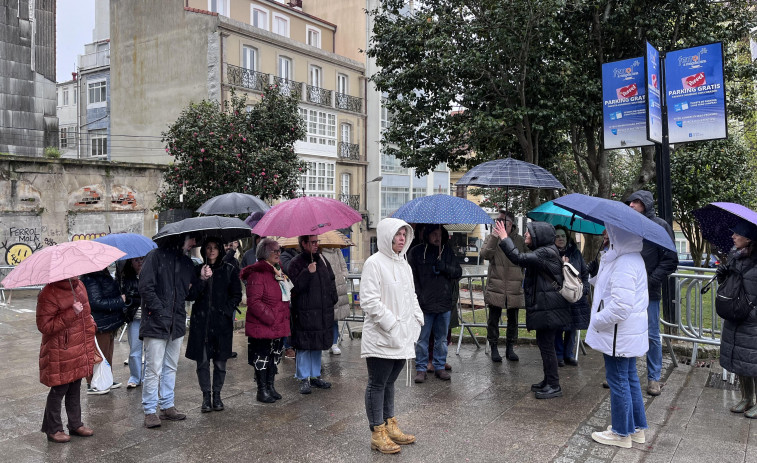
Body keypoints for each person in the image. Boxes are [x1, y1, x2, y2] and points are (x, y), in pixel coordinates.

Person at [360, 218, 423, 454]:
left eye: (404, 234)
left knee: (390, 382)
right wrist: (392, 324)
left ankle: (390, 424)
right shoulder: (374, 263)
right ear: (387, 236)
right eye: (397, 234)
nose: (402, 238)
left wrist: (417, 319)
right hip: (382, 336)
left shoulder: (404, 264)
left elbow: (411, 295)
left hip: (402, 336)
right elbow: (369, 300)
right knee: (378, 383)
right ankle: (378, 432)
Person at [139, 233, 211, 429]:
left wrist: (202, 279)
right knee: (154, 368)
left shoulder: (186, 263)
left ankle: (167, 405)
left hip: (176, 322)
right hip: (156, 323)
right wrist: (161, 313)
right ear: (180, 239)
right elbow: (145, 287)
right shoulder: (154, 257)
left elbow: (190, 294)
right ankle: (150, 410)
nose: (194, 243)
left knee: (171, 366)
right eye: (191, 239)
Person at [588, 224, 649, 449]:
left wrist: (596, 320)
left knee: (618, 380)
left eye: (608, 231)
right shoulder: (627, 257)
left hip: (618, 333)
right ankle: (637, 428)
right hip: (625, 333)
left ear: (618, 234)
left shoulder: (624, 262)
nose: (604, 234)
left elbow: (621, 306)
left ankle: (621, 433)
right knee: (629, 378)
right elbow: (610, 286)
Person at [493, 219, 569, 399]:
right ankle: (548, 380)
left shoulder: (545, 252)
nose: (526, 234)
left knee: (547, 347)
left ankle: (554, 385)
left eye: (529, 231)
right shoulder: (545, 251)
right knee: (544, 345)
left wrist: (504, 238)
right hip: (547, 307)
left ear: (539, 235)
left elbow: (517, 258)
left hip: (549, 308)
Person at [625, 190, 679, 396]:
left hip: (649, 291)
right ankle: (624, 373)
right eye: (630, 202)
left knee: (651, 334)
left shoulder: (660, 226)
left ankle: (653, 378)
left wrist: (651, 280)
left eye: (636, 202)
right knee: (625, 330)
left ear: (646, 204)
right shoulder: (627, 224)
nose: (631, 205)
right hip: (627, 288)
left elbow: (670, 260)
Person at [37, 277, 97, 443]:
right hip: (60, 350)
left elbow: (85, 314)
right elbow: (45, 326)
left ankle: (75, 424)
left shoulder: (80, 286)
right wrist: (72, 313)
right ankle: (54, 429)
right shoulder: (48, 293)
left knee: (75, 387)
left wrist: (90, 323)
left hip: (79, 346)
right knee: (59, 389)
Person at [185, 238, 242, 412]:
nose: (211, 251)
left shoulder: (229, 270)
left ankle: (217, 395)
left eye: (215, 248)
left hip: (221, 324)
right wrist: (202, 279)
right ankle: (206, 397)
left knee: (220, 362)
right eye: (208, 248)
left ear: (220, 250)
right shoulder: (197, 270)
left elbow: (236, 295)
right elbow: (190, 295)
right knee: (202, 362)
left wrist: (225, 310)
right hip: (201, 323)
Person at [240, 238, 292, 403]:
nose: (278, 253)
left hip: (278, 324)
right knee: (262, 357)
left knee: (274, 355)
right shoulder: (257, 273)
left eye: (279, 250)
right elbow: (254, 302)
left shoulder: (277, 271)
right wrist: (271, 317)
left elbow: (285, 294)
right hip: (263, 324)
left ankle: (270, 386)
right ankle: (261, 390)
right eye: (274, 250)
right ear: (264, 253)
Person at [409, 224, 462, 382]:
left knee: (441, 339)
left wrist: (444, 267)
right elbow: (411, 277)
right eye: (433, 234)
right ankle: (421, 368)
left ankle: (439, 366)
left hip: (443, 302)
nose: (436, 237)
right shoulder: (417, 252)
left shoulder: (446, 251)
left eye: (439, 234)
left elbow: (457, 272)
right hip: (425, 303)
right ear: (427, 235)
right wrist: (419, 296)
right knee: (422, 339)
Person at [288, 235, 338, 394]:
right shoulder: (296, 263)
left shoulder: (322, 259)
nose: (316, 245)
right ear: (304, 243)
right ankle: (303, 377)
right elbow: (293, 289)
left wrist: (333, 298)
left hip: (322, 311)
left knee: (317, 344)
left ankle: (315, 376)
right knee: (304, 346)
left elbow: (331, 279)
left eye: (317, 241)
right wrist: (307, 273)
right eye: (313, 242)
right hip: (304, 313)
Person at [717, 222, 757, 418]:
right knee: (741, 359)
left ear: (748, 238)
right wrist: (723, 277)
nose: (733, 236)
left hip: (751, 318)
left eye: (737, 233)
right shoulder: (735, 255)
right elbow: (731, 285)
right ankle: (747, 398)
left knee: (754, 360)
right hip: (736, 314)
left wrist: (752, 313)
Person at [481, 210, 526, 362]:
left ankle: (510, 348)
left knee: (513, 320)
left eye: (502, 221)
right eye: (497, 220)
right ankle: (493, 347)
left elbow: (528, 258)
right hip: (496, 285)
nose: (498, 223)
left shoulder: (519, 240)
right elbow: (485, 255)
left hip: (514, 287)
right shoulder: (491, 238)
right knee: (493, 319)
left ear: (510, 224)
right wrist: (495, 237)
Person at [80, 267, 127, 393]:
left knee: (107, 354)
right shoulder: (91, 280)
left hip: (108, 323)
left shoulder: (102, 276)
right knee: (98, 354)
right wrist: (119, 301)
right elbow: (96, 302)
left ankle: (106, 380)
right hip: (100, 324)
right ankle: (93, 383)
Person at [553, 225, 590, 367]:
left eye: (562, 235)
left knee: (572, 327)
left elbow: (584, 272)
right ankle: (559, 355)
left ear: (567, 237)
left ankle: (569, 354)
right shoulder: (551, 253)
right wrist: (562, 264)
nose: (560, 238)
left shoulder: (575, 252)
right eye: (557, 236)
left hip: (575, 296)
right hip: (559, 295)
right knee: (558, 327)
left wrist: (585, 288)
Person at [118, 257, 145, 389]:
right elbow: (126, 297)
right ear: (131, 263)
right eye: (136, 260)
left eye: (142, 259)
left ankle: (147, 377)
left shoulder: (151, 275)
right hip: (134, 318)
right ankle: (135, 377)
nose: (139, 262)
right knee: (135, 350)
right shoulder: (127, 279)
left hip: (150, 318)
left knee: (150, 350)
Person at [321, 247, 350, 355]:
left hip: (337, 285)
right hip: (324, 285)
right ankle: (326, 342)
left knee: (335, 316)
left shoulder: (337, 250)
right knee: (325, 317)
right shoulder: (320, 250)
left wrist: (343, 276)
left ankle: (334, 343)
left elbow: (343, 265)